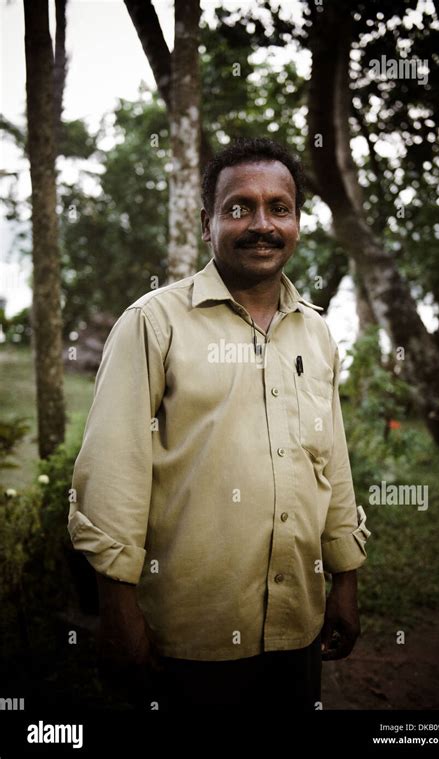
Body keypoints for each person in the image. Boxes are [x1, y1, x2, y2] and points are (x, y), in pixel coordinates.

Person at [67, 137, 371, 712]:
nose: (262, 224)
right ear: (207, 221)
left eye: (279, 207)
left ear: (297, 221)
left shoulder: (317, 333)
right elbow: (112, 474)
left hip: (297, 627)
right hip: (188, 639)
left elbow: (332, 464)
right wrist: (117, 609)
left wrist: (345, 582)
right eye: (240, 208)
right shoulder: (154, 323)